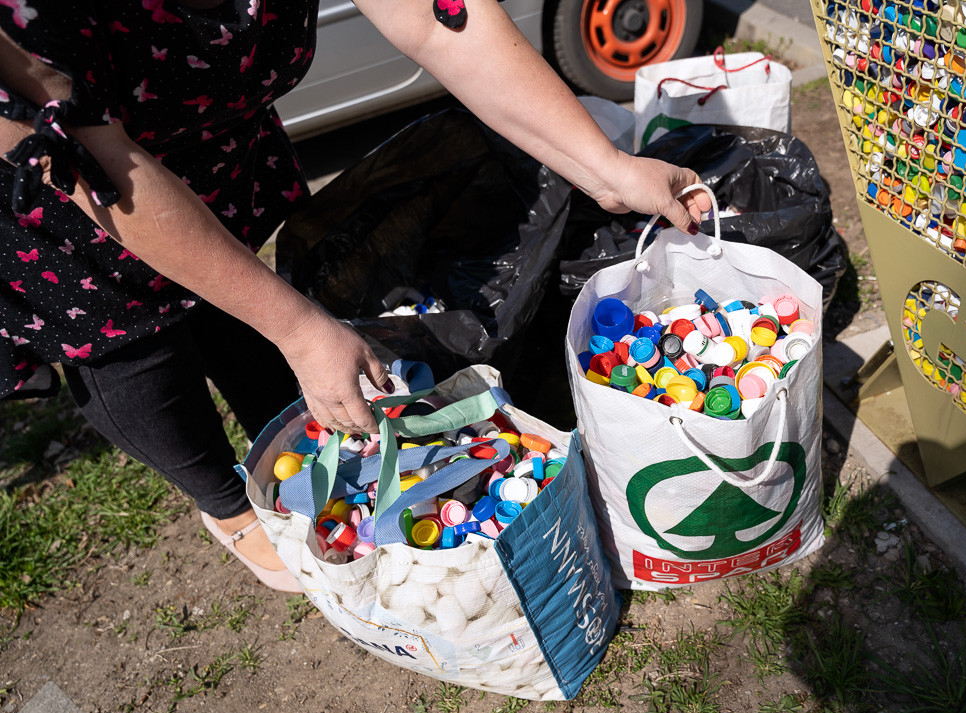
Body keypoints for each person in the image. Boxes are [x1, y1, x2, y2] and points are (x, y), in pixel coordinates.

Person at [0, 0, 711, 591]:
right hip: (76, 212)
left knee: (245, 315)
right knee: (134, 349)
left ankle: (290, 451)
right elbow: (100, 170)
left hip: (211, 146)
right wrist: (300, 329)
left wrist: (607, 169)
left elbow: (440, 21)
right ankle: (228, 506)